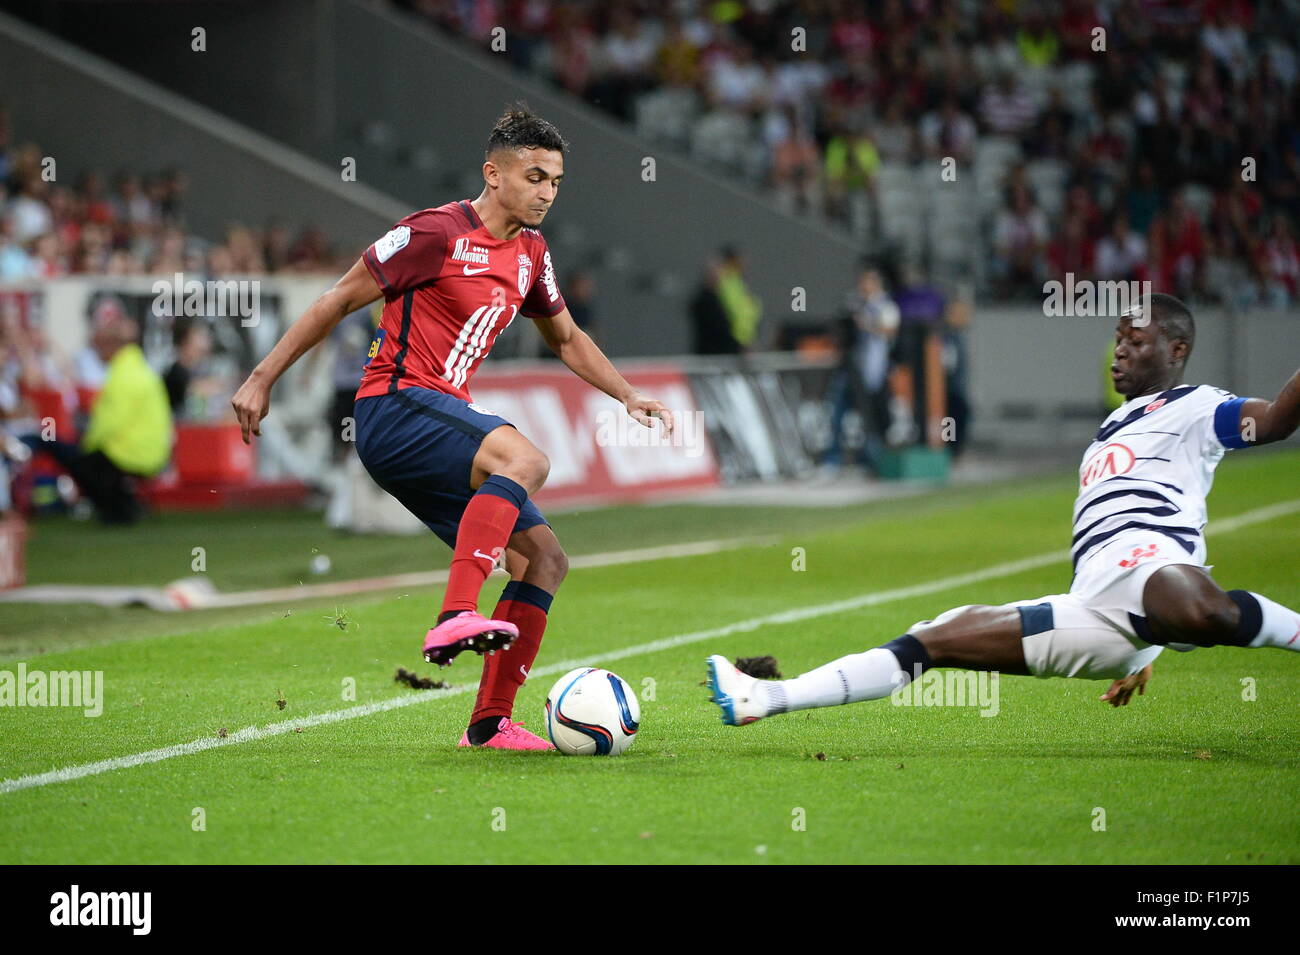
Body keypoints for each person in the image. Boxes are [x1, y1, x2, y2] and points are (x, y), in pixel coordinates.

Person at [231, 105, 675, 751]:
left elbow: (568, 338)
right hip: (394, 403)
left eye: (555, 180)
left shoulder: (531, 253)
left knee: (545, 560)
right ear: (493, 174)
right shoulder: (433, 233)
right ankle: (456, 613)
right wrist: (261, 376)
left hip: (435, 420)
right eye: (534, 176)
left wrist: (628, 393)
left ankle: (489, 724)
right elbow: (336, 298)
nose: (547, 192)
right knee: (524, 459)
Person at [707, 293, 1299, 725]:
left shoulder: (1197, 405)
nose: (1119, 350)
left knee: (1204, 614)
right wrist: (1147, 644)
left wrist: (1162, 620)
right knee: (933, 636)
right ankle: (765, 698)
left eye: (1135, 341)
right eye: (1117, 338)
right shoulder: (1113, 426)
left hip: (1152, 573)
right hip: (1100, 609)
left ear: (1176, 350)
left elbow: (1273, 420)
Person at [24, 310, 173, 524]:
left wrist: (84, 447)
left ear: (111, 346)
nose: (97, 353)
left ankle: (118, 509)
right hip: (149, 450)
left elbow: (108, 424)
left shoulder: (122, 376)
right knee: (85, 460)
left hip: (130, 452)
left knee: (76, 460)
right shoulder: (138, 368)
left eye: (99, 347)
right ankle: (123, 503)